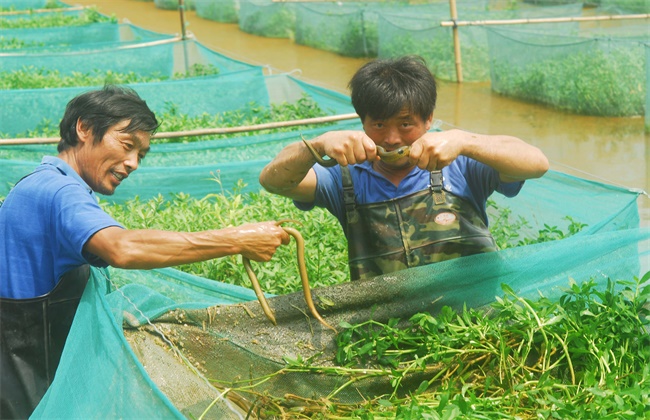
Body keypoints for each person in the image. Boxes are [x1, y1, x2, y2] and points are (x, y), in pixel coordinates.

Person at [0, 85, 290, 418]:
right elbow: (122, 248)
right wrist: (235, 239)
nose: (134, 163)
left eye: (141, 154)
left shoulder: (43, 184)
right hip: (33, 388)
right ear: (83, 128)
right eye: (127, 145)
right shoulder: (58, 190)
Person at [259, 55, 549, 281]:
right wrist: (318, 145)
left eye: (406, 124)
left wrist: (464, 140)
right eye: (379, 124)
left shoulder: (459, 161)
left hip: (475, 326)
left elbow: (536, 163)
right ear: (363, 122)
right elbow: (274, 182)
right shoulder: (343, 175)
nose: (392, 138)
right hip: (387, 334)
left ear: (429, 119)